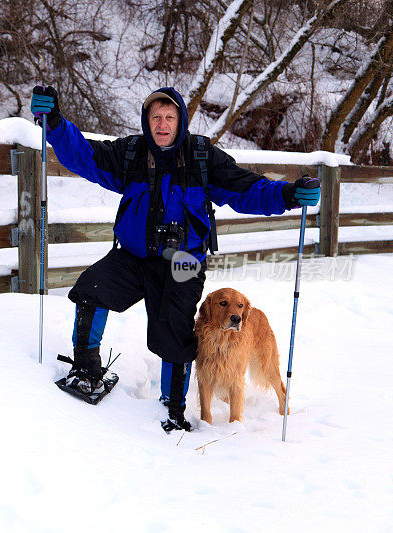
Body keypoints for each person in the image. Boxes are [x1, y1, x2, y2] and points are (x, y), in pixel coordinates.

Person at [30, 86, 320, 432]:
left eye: (169, 117)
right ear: (147, 121)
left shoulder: (201, 157)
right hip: (135, 256)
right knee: (92, 287)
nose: (162, 124)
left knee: (175, 324)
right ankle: (87, 370)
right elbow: (84, 155)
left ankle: (174, 406)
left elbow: (248, 189)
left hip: (184, 261)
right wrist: (56, 124)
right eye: (156, 117)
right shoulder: (131, 153)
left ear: (180, 120)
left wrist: (288, 193)